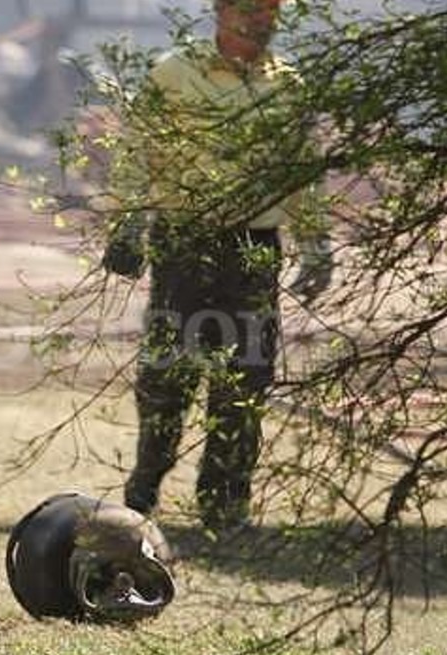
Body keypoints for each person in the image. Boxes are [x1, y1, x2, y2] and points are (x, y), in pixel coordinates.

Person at [104, 0, 330, 529]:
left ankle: (225, 503)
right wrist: (129, 223)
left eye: (271, 10)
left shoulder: (289, 85)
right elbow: (139, 152)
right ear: (221, 11)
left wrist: (317, 246)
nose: (261, 20)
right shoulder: (174, 74)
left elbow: (305, 175)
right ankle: (145, 484)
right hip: (183, 242)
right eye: (250, 8)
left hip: (254, 250)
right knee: (168, 373)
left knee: (246, 377)